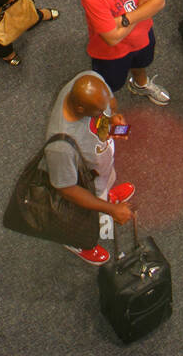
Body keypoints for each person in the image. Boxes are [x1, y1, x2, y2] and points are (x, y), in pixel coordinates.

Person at [42, 72, 134, 267]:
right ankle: (76, 242)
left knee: (105, 185)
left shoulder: (90, 78)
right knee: (82, 216)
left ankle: (104, 197)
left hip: (99, 165)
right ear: (81, 109)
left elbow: (110, 105)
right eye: (100, 110)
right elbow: (67, 190)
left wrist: (113, 120)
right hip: (83, 183)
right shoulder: (60, 146)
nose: (105, 110)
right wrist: (112, 210)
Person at [81, 0, 169, 105]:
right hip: (111, 54)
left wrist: (122, 20)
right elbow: (112, 38)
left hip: (142, 36)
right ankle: (105, 108)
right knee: (108, 87)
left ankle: (140, 85)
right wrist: (140, 8)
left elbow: (160, 1)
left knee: (141, 65)